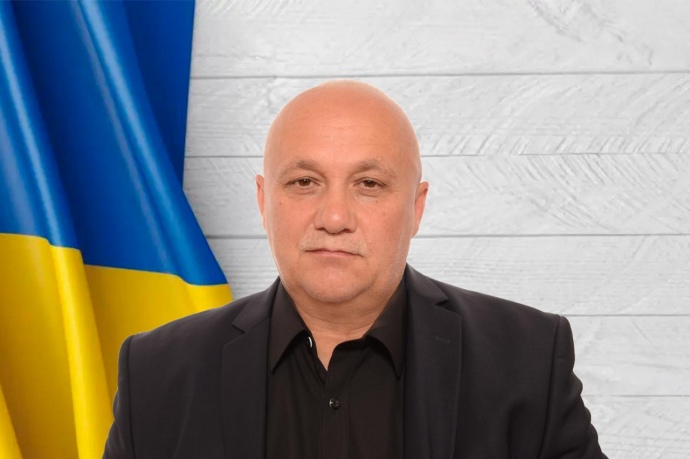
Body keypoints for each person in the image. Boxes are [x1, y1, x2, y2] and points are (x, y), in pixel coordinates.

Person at [103, 81, 607, 458]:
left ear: (416, 207)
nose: (334, 217)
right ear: (263, 201)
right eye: (304, 182)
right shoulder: (156, 374)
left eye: (369, 184)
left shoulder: (529, 361)